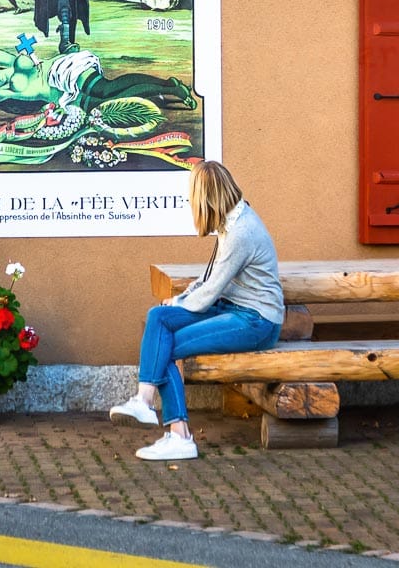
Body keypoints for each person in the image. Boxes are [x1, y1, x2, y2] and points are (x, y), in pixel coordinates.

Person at [109, 161, 284, 461]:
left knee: (167, 346)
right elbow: (208, 281)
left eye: (192, 197)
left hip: (256, 321)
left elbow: (209, 293)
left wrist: (180, 301)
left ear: (207, 198)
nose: (190, 203)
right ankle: (143, 401)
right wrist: (177, 301)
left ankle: (179, 435)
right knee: (158, 317)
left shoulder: (241, 232)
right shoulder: (232, 220)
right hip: (233, 308)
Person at [0, 44, 197, 112]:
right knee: (112, 99)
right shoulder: (8, 91)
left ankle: (168, 87)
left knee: (107, 88)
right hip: (67, 94)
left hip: (66, 70)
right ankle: (168, 86)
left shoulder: (11, 63)